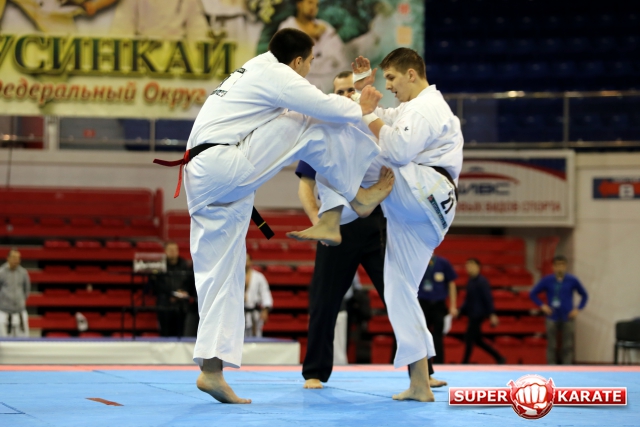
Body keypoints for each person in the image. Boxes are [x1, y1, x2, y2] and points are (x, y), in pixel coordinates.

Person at [179, 28, 391, 404]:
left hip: (202, 177)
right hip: (223, 164)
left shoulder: (252, 70)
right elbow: (324, 106)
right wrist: (361, 103)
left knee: (221, 274)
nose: (310, 69)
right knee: (308, 121)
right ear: (297, 61)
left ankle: (211, 371)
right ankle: (356, 196)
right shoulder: (277, 74)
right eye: (310, 62)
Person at [290, 48, 464, 402]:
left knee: (339, 139)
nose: (390, 87)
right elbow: (381, 116)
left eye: (392, 79)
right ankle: (420, 383)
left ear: (412, 74)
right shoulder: (410, 108)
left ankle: (354, 203)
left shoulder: (427, 106)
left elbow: (397, 149)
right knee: (400, 292)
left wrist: (365, 113)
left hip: (424, 189)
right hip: (421, 211)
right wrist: (360, 88)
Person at [296, 70, 387, 389]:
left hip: (376, 223)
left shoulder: (375, 127)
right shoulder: (323, 132)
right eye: (340, 92)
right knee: (324, 301)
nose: (347, 95)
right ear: (332, 98)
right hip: (337, 225)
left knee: (399, 295)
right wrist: (318, 221)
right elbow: (305, 185)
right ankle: (315, 372)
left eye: (351, 90)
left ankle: (422, 370)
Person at [530, 255, 588, 365]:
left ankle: (567, 367)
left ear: (566, 266)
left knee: (567, 345)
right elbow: (533, 294)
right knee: (551, 344)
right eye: (557, 265)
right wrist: (542, 306)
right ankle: (551, 367)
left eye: (562, 265)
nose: (560, 267)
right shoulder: (547, 280)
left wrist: (578, 309)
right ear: (553, 266)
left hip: (568, 316)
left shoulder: (572, 280)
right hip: (552, 316)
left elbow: (584, 295)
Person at [278, 0, 346, 92]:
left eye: (316, 5)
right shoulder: (287, 27)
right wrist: (309, 36)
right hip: (301, 87)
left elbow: (340, 53)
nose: (313, 7)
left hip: (330, 82)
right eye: (310, 2)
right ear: (299, 4)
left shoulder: (324, 27)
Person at [458, 258, 505, 364]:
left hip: (478, 314)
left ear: (478, 267)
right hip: (472, 313)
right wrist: (460, 311)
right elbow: (468, 300)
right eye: (467, 265)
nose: (469, 268)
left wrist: (492, 314)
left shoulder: (482, 281)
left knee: (469, 337)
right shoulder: (470, 281)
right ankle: (499, 357)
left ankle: (465, 362)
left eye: (471, 265)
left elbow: (488, 298)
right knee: (477, 340)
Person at [418, 255, 458, 364]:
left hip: (438, 305)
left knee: (438, 335)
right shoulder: (418, 261)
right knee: (421, 335)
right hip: (422, 304)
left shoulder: (443, 263)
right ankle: (422, 363)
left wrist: (453, 305)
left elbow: (451, 283)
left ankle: (439, 362)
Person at [150, 242, 194, 337]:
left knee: (181, 333)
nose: (173, 252)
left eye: (175, 249)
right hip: (165, 304)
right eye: (170, 250)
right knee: (165, 333)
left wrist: (180, 294)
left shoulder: (184, 265)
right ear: (165, 251)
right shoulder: (160, 266)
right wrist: (172, 294)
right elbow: (158, 285)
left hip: (182, 305)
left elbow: (188, 282)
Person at [0, 249, 31, 337]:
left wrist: (20, 300)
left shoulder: (23, 273)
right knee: (4, 341)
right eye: (14, 258)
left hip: (20, 312)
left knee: (24, 341)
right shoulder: (1, 272)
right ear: (8, 258)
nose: (16, 260)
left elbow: (27, 290)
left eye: (18, 258)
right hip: (4, 312)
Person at [244, 254, 272, 337]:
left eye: (247, 260)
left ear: (251, 262)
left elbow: (265, 293)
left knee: (256, 337)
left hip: (255, 313)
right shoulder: (235, 277)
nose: (245, 262)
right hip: (240, 313)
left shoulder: (259, 277)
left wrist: (265, 310)